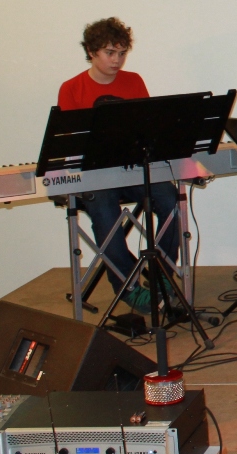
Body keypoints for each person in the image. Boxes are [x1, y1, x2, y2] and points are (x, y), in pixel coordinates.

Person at [58, 17, 180, 312]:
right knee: (103, 209)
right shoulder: (72, 88)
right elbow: (70, 143)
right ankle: (128, 286)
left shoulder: (134, 81)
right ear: (91, 51)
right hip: (95, 176)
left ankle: (162, 276)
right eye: (109, 53)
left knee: (170, 199)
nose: (117, 60)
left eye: (122, 53)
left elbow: (147, 130)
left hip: (133, 171)